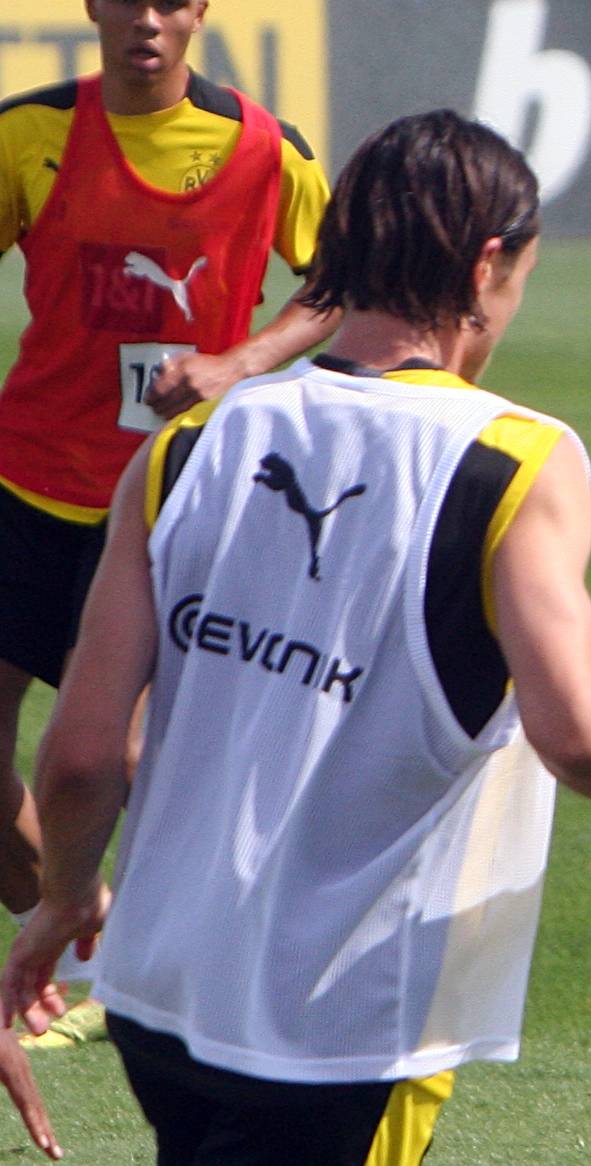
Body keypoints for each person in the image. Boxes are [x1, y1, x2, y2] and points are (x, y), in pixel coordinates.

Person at [0, 109, 591, 1165]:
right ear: (489, 261)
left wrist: (61, 900)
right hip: (345, 1029)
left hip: (159, 993)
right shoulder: (515, 459)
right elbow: (581, 732)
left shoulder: (187, 444)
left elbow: (89, 747)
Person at [0, 0, 334, 1028]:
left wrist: (240, 359)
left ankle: (164, 971)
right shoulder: (31, 133)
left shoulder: (268, 152)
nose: (146, 19)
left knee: (129, 756)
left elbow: (342, 279)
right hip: (25, 483)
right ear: (94, 7)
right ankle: (81, 924)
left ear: (199, 12)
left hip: (172, 499)